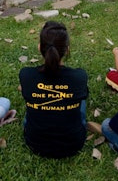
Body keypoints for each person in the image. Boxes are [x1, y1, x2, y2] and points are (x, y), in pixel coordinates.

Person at [19, 21, 88, 158]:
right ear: (67, 50)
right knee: (82, 102)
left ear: (39, 47)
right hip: (73, 143)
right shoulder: (79, 76)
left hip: (35, 142)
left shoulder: (26, 75)